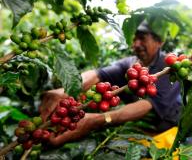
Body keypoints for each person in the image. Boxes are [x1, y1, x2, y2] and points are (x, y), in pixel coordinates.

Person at [39, 21, 181, 146]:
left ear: (159, 42)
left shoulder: (167, 68)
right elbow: (97, 74)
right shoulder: (131, 64)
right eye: (135, 39)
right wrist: (65, 90)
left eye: (142, 38)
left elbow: (146, 105)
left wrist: (97, 120)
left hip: (172, 132)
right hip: (141, 129)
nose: (136, 44)